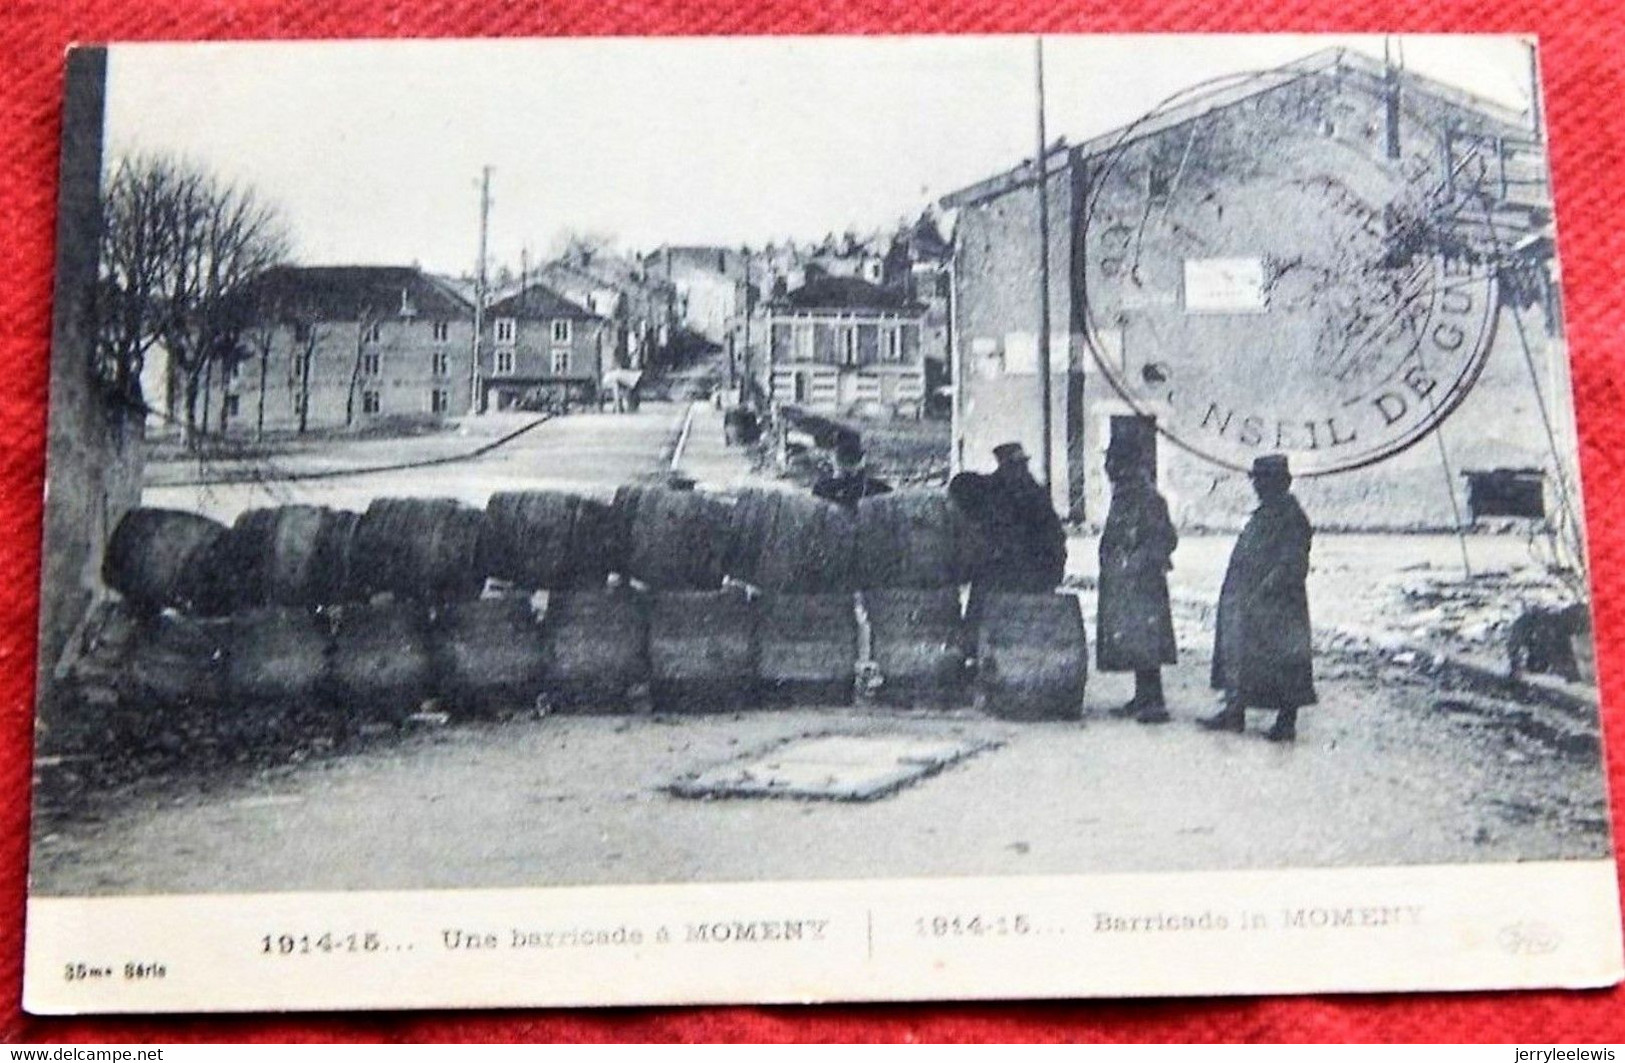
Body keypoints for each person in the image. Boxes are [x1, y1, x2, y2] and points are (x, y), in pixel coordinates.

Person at [1202, 453, 1316, 742]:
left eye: (1265, 480)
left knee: (1285, 660)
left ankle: (1286, 721)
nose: (1258, 486)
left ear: (1282, 483)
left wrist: (1266, 589)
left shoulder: (1291, 516)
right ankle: (1234, 711)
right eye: (1257, 480)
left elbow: (1293, 563)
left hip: (1279, 604)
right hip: (1250, 598)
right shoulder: (1266, 512)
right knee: (1241, 654)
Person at [1097, 440, 1178, 724]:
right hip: (1125, 579)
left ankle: (1155, 702)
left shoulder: (1148, 498)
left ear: (1126, 466)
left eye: (1112, 463)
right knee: (1134, 638)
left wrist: (1139, 562)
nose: (1107, 468)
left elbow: (1166, 538)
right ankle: (1143, 696)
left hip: (1143, 583)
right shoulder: (1124, 495)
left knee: (1146, 638)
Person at [949, 442, 1068, 593]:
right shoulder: (994, 489)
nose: (1020, 470)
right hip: (1022, 573)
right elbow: (962, 485)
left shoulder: (1032, 494)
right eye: (1015, 465)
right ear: (1004, 466)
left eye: (1022, 464)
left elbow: (1053, 536)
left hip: (1031, 572)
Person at [812, 438, 892, 509]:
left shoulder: (821, 487)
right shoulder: (879, 488)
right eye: (843, 459)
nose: (847, 466)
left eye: (852, 460)